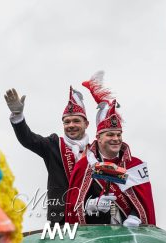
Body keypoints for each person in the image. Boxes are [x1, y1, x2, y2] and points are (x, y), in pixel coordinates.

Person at [65, 71, 156, 226]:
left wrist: (135, 217)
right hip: (96, 239)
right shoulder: (84, 165)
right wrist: (91, 205)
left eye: (118, 134)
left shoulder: (135, 165)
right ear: (99, 138)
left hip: (129, 236)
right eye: (110, 135)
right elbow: (74, 206)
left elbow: (144, 204)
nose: (116, 139)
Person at [4, 87, 89, 225]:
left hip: (91, 219)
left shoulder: (94, 151)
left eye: (76, 121)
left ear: (86, 124)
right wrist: (18, 116)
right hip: (60, 220)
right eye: (67, 122)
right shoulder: (54, 144)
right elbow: (28, 139)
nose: (71, 125)